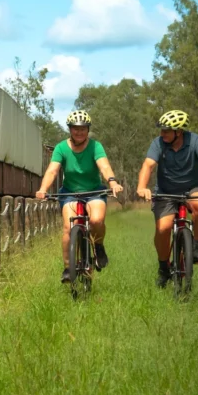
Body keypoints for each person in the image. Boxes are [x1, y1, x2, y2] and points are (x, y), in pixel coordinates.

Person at [136, 109, 198, 288]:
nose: (162, 134)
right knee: (163, 229)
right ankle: (164, 268)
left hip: (191, 189)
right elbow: (148, 166)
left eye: (166, 131)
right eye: (161, 130)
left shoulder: (196, 141)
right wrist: (142, 187)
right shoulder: (158, 143)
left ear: (178, 132)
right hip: (165, 191)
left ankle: (197, 245)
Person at [36, 110, 123, 283]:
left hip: (94, 192)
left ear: (88, 129)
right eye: (75, 128)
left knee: (97, 221)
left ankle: (98, 246)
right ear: (69, 129)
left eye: (83, 129)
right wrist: (43, 189)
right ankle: (68, 268)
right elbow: (53, 170)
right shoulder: (61, 147)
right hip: (69, 193)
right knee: (69, 228)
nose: (79, 132)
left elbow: (104, 167)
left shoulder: (95, 146)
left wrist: (112, 182)